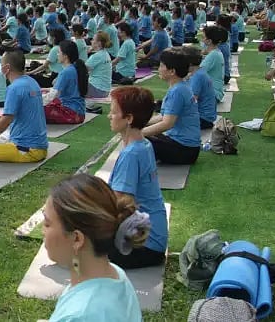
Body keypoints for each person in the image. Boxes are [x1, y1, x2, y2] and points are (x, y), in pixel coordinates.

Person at [41, 174, 148, 322]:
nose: (43, 231)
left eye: (47, 223)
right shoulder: (115, 273)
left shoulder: (80, 315)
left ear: (77, 239)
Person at [104, 86, 167, 269]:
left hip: (142, 247)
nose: (109, 116)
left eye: (114, 112)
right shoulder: (144, 144)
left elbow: (122, 204)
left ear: (129, 118)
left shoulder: (131, 154)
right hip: (153, 241)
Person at [0, 51, 50, 162]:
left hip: (28, 150)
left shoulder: (14, 88)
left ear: (7, 67)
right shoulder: (32, 82)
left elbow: (6, 119)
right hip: (39, 145)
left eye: (1, 63)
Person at [141, 48, 200, 165]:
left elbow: (167, 124)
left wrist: (139, 133)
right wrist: (142, 123)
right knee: (139, 133)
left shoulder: (177, 91)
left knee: (137, 139)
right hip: (186, 147)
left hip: (185, 150)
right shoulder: (179, 86)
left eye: (162, 66)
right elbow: (164, 116)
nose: (159, 69)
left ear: (172, 71)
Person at [46, 41, 87, 125]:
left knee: (34, 107)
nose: (57, 54)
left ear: (65, 56)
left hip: (71, 113)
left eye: (59, 52)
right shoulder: (74, 68)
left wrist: (35, 100)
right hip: (78, 111)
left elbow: (52, 95)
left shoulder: (66, 72)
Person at [182, 46, 217, 130]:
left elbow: (191, 101)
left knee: (170, 119)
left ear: (189, 63)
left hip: (203, 119)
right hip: (204, 117)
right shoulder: (198, 72)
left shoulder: (197, 76)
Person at [86, 32, 114, 100]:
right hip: (104, 90)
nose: (91, 41)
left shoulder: (96, 56)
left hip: (97, 90)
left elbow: (82, 70)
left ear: (99, 43)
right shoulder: (105, 53)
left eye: (93, 39)